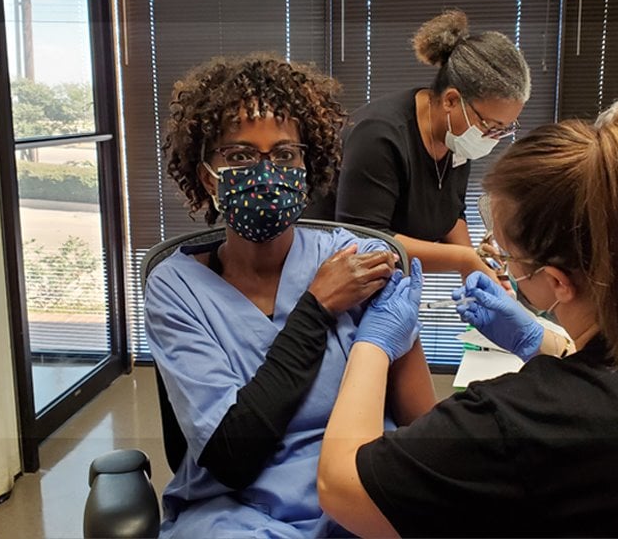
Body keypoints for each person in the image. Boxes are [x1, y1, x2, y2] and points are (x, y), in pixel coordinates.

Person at [317, 97, 618, 537]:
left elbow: (342, 486)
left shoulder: (531, 417)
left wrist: (375, 342)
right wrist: (540, 339)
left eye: (509, 257)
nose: (504, 267)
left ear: (556, 282)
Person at [145, 54, 436, 538]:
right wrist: (317, 307)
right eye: (239, 156)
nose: (265, 174)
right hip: (236, 513)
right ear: (206, 177)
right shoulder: (177, 288)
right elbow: (231, 456)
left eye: (284, 155)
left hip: (360, 495)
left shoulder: (359, 261)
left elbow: (422, 425)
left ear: (307, 164)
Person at [306, 9, 530, 282]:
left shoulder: (457, 137)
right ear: (450, 101)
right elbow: (364, 238)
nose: (494, 137)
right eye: (490, 125)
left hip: (387, 281)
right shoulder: (379, 135)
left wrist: (478, 269)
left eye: (505, 128)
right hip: (330, 280)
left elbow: (451, 212)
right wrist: (464, 260)